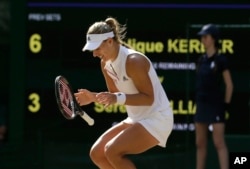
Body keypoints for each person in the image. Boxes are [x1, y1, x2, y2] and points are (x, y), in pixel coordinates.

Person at [74, 17, 173, 169]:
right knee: (97, 153)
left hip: (157, 118)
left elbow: (148, 99)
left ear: (109, 41)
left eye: (97, 48)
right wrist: (93, 97)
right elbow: (114, 94)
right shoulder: (105, 64)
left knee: (112, 151)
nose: (94, 53)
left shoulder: (134, 61)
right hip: (136, 118)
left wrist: (115, 98)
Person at [194, 24, 233, 169]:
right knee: (200, 143)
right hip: (202, 105)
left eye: (205, 37)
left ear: (213, 39)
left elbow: (229, 85)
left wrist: (226, 105)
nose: (202, 40)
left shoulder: (221, 60)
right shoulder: (200, 60)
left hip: (216, 106)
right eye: (202, 37)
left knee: (218, 142)